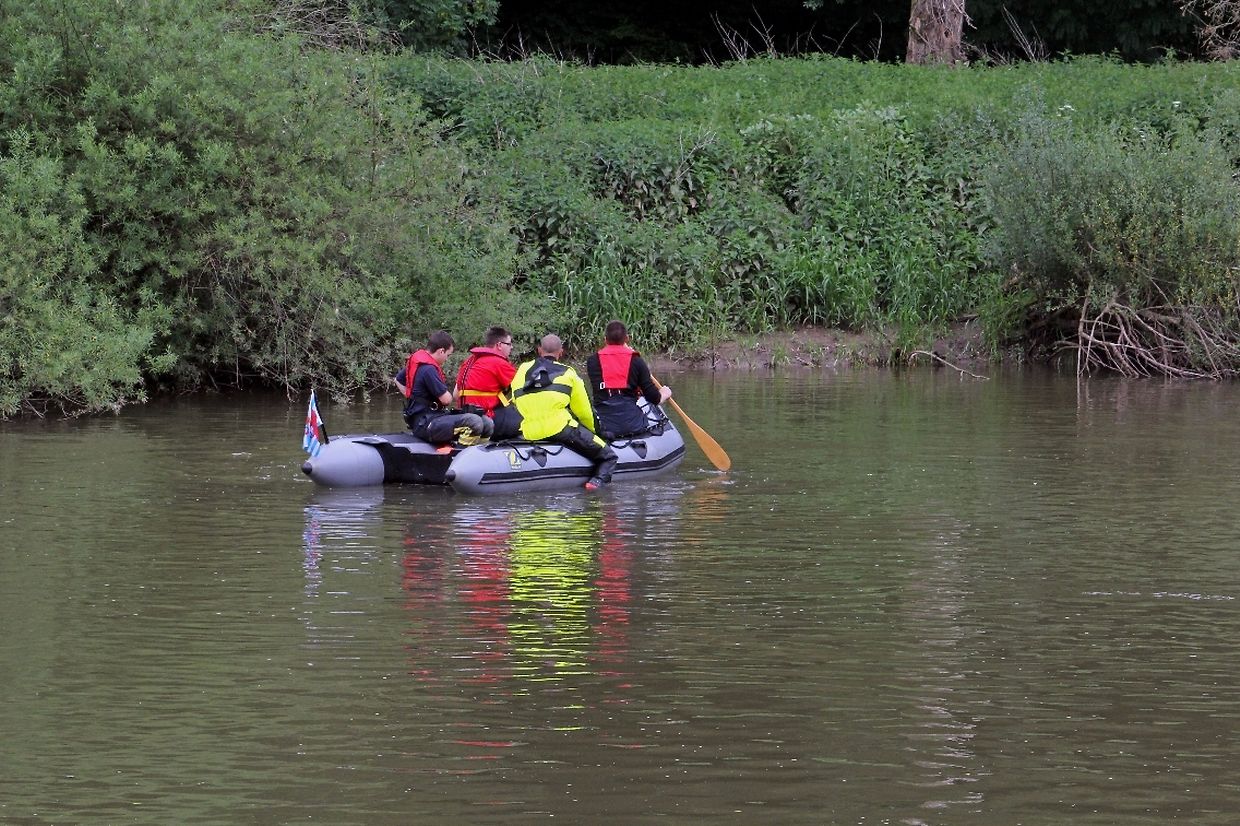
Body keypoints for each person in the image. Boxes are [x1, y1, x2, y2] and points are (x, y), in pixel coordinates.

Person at [509, 333, 617, 491]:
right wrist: (598, 433)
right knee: (609, 456)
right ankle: (595, 485)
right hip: (560, 429)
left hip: (529, 431)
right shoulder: (568, 373)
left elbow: (515, 400)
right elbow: (585, 413)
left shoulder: (522, 370)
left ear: (539, 350)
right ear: (561, 352)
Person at [394, 330, 492, 445]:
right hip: (425, 424)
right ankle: (461, 452)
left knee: (487, 423)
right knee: (474, 422)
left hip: (431, 418)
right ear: (441, 351)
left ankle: (479, 450)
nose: (447, 359)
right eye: (448, 355)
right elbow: (447, 400)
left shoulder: (418, 362)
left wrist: (410, 395)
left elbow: (397, 380)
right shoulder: (428, 369)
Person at [585, 320, 672, 440]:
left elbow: (611, 385)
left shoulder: (592, 361)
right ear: (627, 338)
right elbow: (654, 398)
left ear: (605, 340)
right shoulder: (636, 361)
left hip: (604, 426)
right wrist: (664, 393)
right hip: (633, 426)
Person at [453, 326, 520, 439]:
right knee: (523, 418)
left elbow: (455, 395)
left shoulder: (468, 362)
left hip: (464, 416)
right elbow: (522, 386)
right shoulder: (499, 363)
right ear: (499, 345)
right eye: (509, 344)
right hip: (486, 417)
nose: (511, 347)